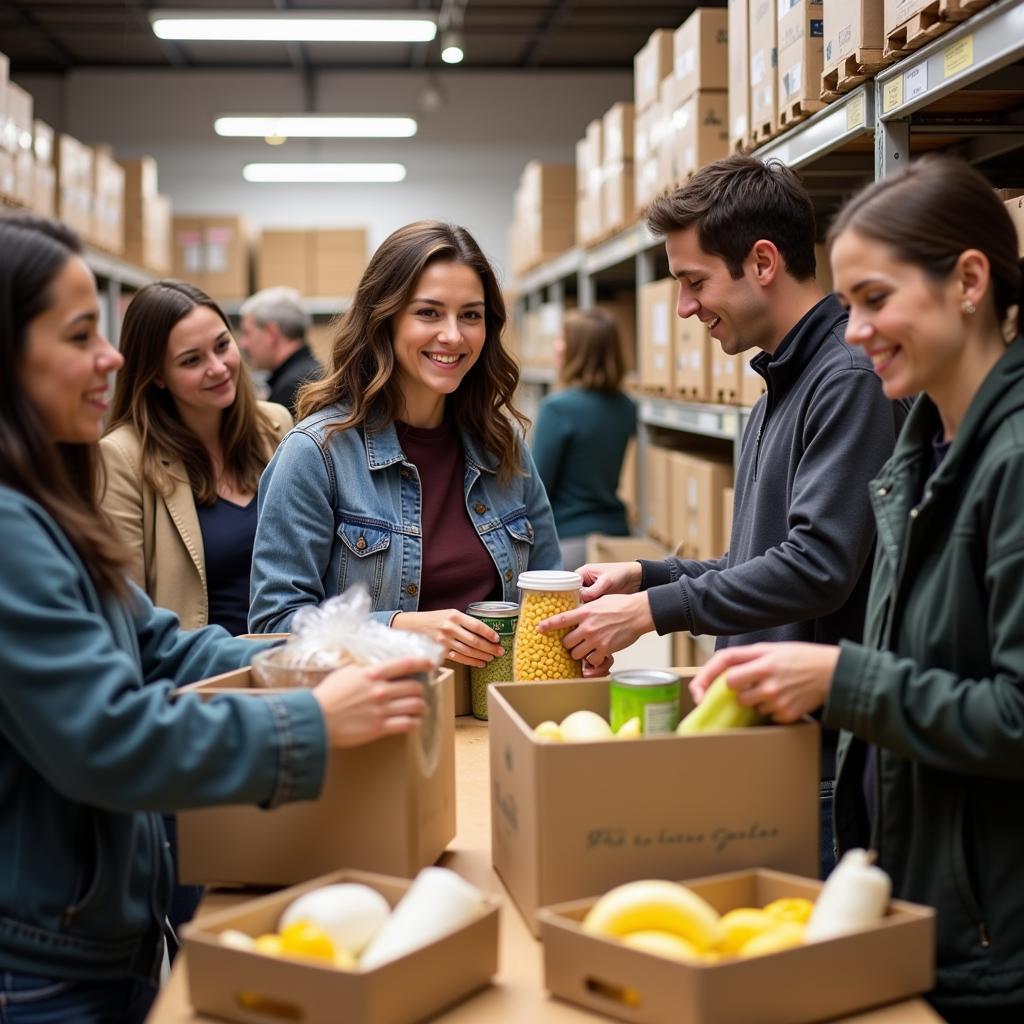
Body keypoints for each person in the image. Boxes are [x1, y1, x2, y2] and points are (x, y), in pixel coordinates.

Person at [0, 213, 431, 1022]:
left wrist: (319, 658)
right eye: (80, 334)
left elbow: (162, 646)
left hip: (98, 935)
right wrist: (308, 722)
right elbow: (106, 740)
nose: (110, 358)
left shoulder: (44, 506)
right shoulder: (11, 529)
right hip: (38, 968)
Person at [687, 156, 1024, 1022]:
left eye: (876, 300)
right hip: (921, 897)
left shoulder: (1013, 465)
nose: (853, 331)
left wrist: (842, 681)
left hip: (994, 931)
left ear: (970, 283)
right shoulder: (922, 454)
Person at [537, 155, 908, 876]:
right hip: (768, 742)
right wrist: (647, 575)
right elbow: (759, 561)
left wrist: (655, 611)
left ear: (762, 262)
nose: (684, 309)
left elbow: (818, 568)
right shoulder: (778, 387)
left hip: (822, 763)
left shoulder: (848, 383)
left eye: (693, 282)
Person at [249, 220, 562, 671]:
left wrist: (577, 635)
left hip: (491, 717)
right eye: (429, 313)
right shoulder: (317, 454)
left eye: (470, 315)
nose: (453, 335)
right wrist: (397, 628)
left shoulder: (502, 444)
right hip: (376, 721)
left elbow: (547, 591)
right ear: (384, 318)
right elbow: (273, 626)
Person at [102, 280, 291, 635]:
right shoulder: (121, 458)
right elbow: (127, 613)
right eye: (192, 360)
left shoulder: (275, 425)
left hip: (290, 660)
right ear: (157, 374)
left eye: (223, 346)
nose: (218, 368)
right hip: (199, 677)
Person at [530, 308, 637, 569]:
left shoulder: (557, 408)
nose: (557, 347)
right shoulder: (627, 406)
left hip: (568, 544)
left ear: (578, 351)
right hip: (618, 540)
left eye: (563, 340)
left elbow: (537, 488)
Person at [238, 285, 323, 417]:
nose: (243, 344)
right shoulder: (312, 373)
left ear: (272, 333)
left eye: (247, 333)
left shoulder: (292, 389)